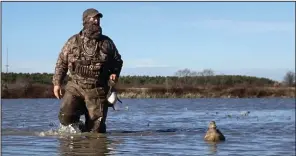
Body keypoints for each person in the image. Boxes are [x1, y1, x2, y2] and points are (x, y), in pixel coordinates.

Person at [52, 8, 123, 133]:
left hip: (97, 88)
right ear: (85, 21)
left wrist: (114, 73)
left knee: (96, 130)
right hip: (75, 86)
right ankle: (76, 133)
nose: (96, 21)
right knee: (66, 117)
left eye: (98, 19)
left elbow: (117, 61)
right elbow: (62, 62)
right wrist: (57, 83)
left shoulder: (107, 43)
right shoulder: (73, 41)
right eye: (93, 18)